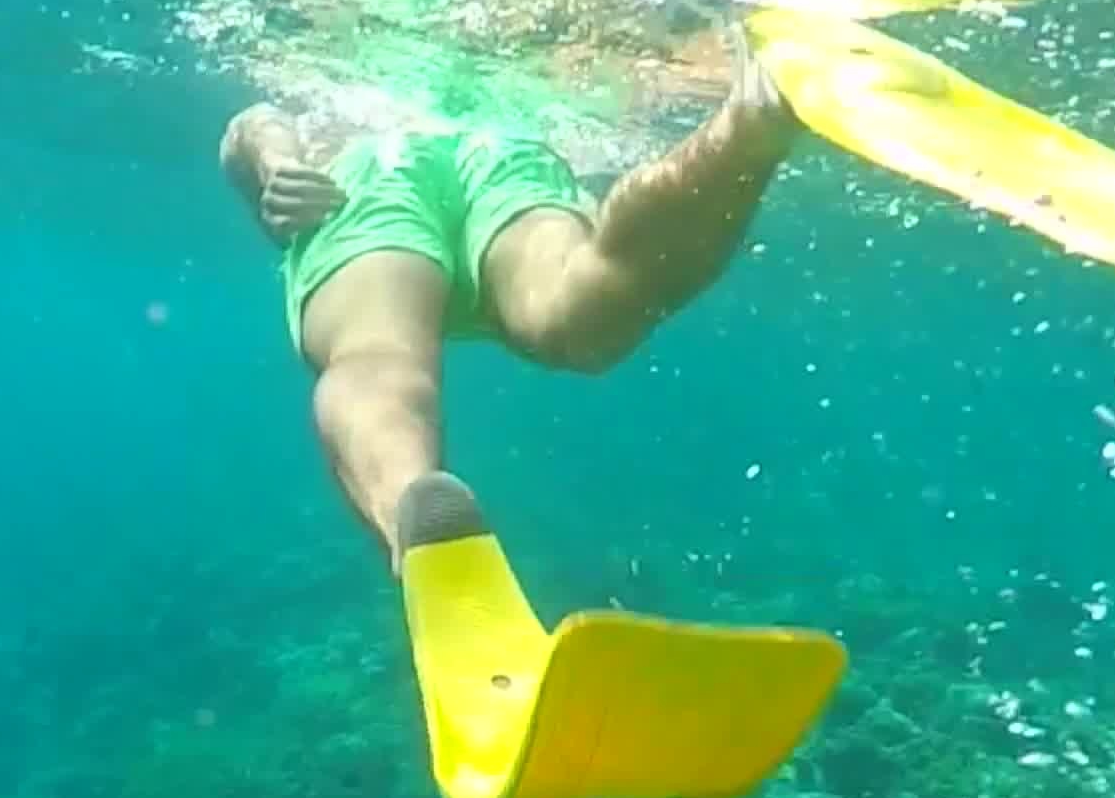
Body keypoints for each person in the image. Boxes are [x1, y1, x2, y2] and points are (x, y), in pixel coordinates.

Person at [215, 46, 796, 565]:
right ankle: (743, 135)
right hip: (509, 155)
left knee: (375, 354)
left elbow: (252, 123)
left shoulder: (327, 64)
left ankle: (414, 522)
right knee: (575, 314)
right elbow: (252, 128)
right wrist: (276, 163)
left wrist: (277, 164)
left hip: (372, 170)